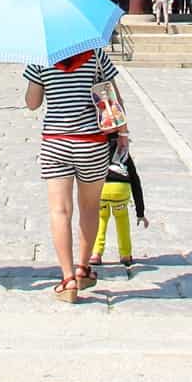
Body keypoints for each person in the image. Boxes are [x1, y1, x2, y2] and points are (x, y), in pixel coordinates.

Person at [24, 42, 127, 303]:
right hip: (91, 142)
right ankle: (83, 268)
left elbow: (32, 103)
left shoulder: (41, 58)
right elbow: (114, 97)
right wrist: (123, 132)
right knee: (90, 207)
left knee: (60, 210)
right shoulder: (96, 54)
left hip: (56, 141)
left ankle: (67, 279)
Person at [91, 141, 147, 273]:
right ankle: (125, 254)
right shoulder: (125, 156)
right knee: (122, 220)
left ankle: (96, 253)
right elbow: (135, 181)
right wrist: (140, 212)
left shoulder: (96, 150)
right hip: (120, 189)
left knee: (100, 219)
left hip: (101, 188)